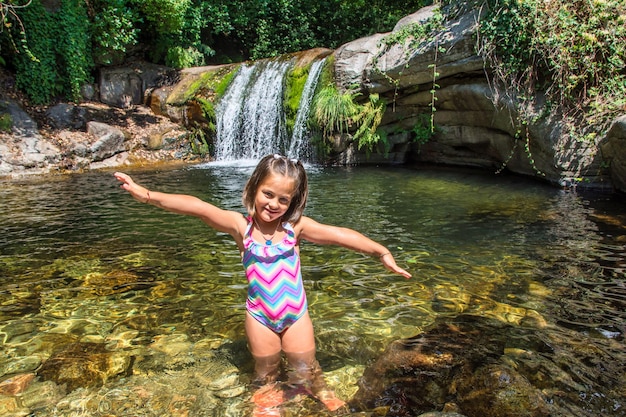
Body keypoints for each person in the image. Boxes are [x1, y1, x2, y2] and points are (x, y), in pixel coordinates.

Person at [114, 154, 411, 414]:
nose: (274, 204)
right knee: (265, 370)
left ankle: (320, 391)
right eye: (268, 194)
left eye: (284, 199)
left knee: (307, 366)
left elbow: (341, 235)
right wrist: (148, 195)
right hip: (260, 317)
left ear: (293, 201)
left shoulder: (296, 228)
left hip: (296, 316)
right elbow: (198, 207)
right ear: (254, 187)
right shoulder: (240, 227)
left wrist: (380, 251)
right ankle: (267, 400)